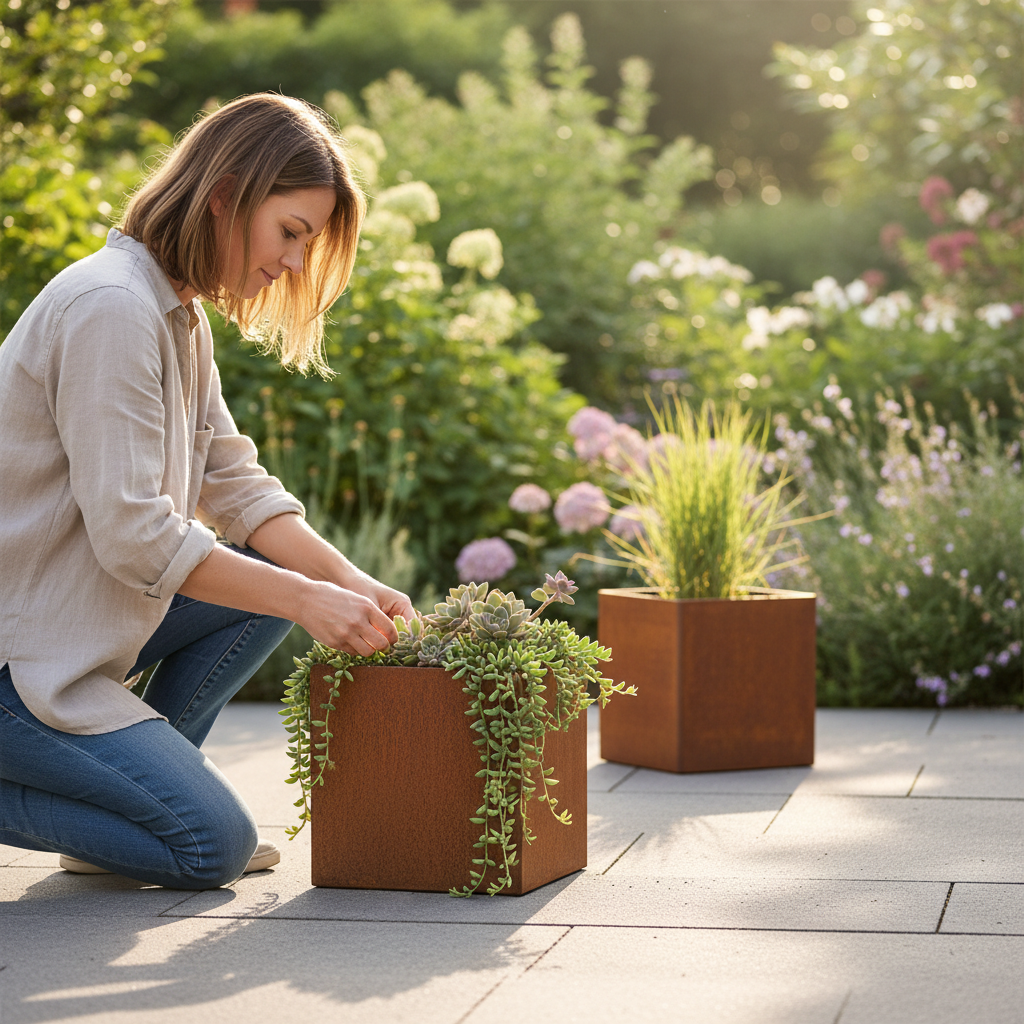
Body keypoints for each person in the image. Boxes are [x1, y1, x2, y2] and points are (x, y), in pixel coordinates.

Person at [0, 93, 414, 889]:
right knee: (210, 848)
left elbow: (235, 485)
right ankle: (149, 813)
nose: (295, 263)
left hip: (68, 629)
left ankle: (126, 811)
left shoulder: (174, 310)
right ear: (225, 194)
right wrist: (303, 601)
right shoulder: (111, 307)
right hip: (19, 667)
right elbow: (135, 536)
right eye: (291, 232)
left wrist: (349, 586)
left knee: (263, 592)